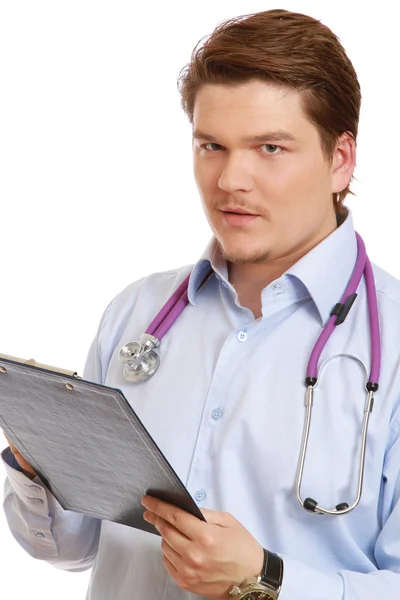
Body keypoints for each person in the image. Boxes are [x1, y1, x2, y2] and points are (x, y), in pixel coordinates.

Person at [2, 8, 400, 600]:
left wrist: (267, 579)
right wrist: (38, 462)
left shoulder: (391, 342)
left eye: (270, 147)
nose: (230, 179)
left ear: (340, 159)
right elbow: (72, 547)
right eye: (211, 145)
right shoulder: (137, 312)